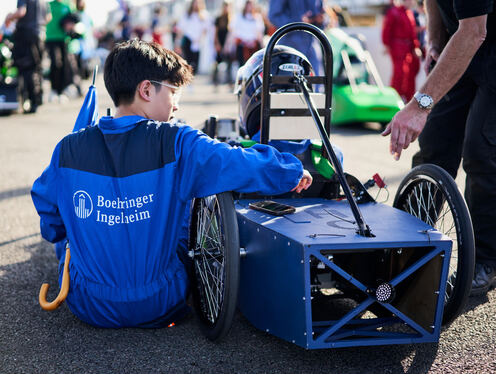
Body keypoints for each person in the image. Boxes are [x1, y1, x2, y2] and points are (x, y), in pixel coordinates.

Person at [31, 40, 312, 328]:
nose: (176, 104)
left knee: (66, 234)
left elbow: (46, 208)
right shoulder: (178, 141)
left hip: (89, 304)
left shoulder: (67, 148)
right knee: (184, 206)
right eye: (173, 92)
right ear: (146, 90)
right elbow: (238, 162)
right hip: (160, 302)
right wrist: (290, 169)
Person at [382, 0, 496, 295]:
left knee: (481, 150)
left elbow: (474, 31)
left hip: (484, 43)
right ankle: (407, 251)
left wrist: (419, 107)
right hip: (461, 43)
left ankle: (484, 261)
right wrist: (435, 39)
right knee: (434, 144)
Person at [5, 0, 50, 113]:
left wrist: (9, 17)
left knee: (26, 69)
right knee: (37, 68)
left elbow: (21, 12)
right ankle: (36, 100)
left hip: (26, 36)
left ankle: (28, 100)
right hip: (40, 35)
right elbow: (48, 17)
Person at [268, 0, 326, 77]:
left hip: (312, 47)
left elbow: (323, 14)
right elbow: (274, 15)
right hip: (289, 47)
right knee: (287, 84)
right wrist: (298, 22)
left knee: (316, 83)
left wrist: (321, 20)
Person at [381, 0, 421, 103]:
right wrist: (386, 44)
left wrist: (415, 46)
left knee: (410, 75)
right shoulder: (394, 12)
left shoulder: (409, 13)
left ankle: (408, 100)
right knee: (399, 74)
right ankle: (394, 100)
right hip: (398, 48)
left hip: (407, 49)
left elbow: (412, 32)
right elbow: (387, 29)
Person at [45, 0, 72, 102]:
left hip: (63, 39)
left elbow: (72, 19)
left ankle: (61, 91)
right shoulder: (49, 5)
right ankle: (54, 90)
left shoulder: (67, 5)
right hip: (50, 39)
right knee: (55, 63)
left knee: (64, 65)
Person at [176, 0, 210, 74]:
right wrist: (178, 43)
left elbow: (205, 30)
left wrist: (200, 39)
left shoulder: (203, 15)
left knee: (196, 62)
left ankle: (193, 77)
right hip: (187, 40)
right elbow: (180, 29)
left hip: (198, 42)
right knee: (187, 61)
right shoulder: (187, 15)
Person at [230, 0, 265, 66]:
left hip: (253, 46)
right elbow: (233, 31)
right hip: (242, 45)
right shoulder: (239, 17)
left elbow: (259, 32)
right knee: (241, 64)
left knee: (253, 65)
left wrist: (262, 45)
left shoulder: (257, 17)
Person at [211, 1, 234, 88]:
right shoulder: (218, 19)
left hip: (228, 45)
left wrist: (228, 46)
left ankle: (229, 81)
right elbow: (215, 33)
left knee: (229, 64)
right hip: (220, 43)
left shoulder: (231, 19)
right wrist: (216, 43)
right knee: (217, 62)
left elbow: (232, 33)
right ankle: (215, 81)